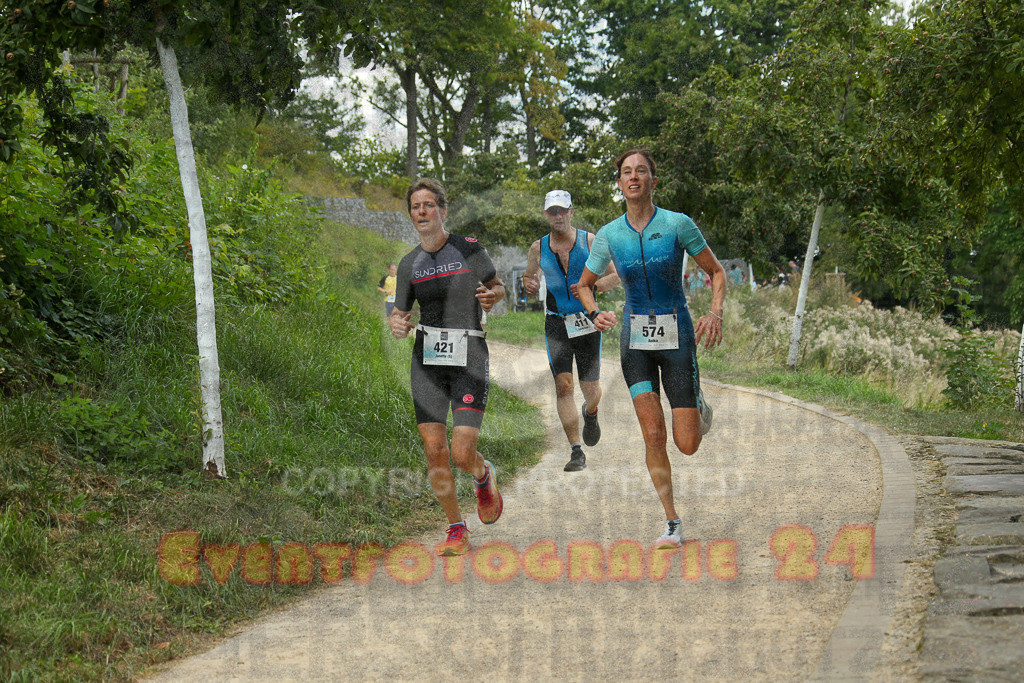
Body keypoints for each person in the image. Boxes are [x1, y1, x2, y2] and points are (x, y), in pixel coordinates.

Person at [577, 148, 725, 550]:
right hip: (635, 342)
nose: (634, 176)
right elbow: (585, 284)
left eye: (641, 170)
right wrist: (594, 314)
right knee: (653, 434)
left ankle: (698, 405)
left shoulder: (678, 224)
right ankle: (672, 521)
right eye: (626, 171)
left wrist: (714, 312)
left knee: (687, 444)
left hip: (677, 336)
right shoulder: (609, 235)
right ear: (620, 183)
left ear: (653, 181)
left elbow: (716, 271)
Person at [389, 178, 505, 556]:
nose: (421, 212)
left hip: (468, 356)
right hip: (427, 362)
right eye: (415, 207)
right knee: (434, 448)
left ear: (442, 209)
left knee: (460, 453)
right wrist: (396, 324)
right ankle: (456, 526)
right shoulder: (409, 264)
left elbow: (498, 286)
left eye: (428, 205)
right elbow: (400, 314)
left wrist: (491, 297)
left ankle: (482, 474)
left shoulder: (468, 249)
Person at [522, 190, 620, 472]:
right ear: (546, 215)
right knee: (564, 386)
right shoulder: (537, 248)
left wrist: (594, 287)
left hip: (587, 319)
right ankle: (576, 450)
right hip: (555, 321)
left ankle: (591, 412)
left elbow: (615, 275)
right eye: (552, 211)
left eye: (562, 211)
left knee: (591, 390)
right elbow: (530, 275)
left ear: (571, 212)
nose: (558, 216)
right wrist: (529, 284)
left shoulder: (590, 241)